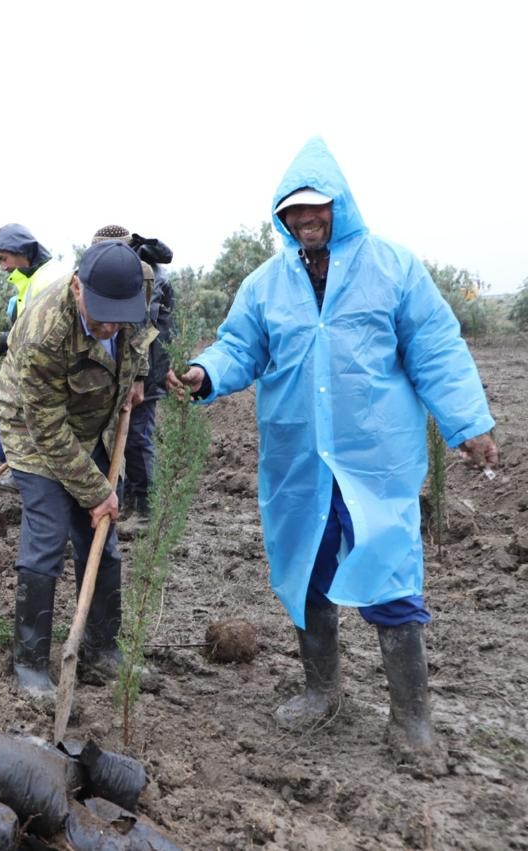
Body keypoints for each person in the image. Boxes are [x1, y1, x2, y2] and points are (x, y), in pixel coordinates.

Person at [168, 137, 499, 767]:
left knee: (390, 573)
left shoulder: (393, 268)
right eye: (292, 211)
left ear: (338, 205)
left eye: (315, 207)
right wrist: (204, 373)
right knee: (306, 572)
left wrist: (468, 423)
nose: (304, 219)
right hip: (298, 460)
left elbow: (434, 348)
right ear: (282, 217)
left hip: (375, 459)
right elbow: (240, 347)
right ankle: (321, 690)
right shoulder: (266, 285)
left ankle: (412, 721)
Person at [0, 240, 154, 703]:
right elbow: (47, 428)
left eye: (117, 315)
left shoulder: (133, 290)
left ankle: (102, 647)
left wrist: (136, 377)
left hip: (94, 422)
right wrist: (95, 489)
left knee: (102, 536)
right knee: (47, 537)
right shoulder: (45, 332)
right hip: (34, 430)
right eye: (100, 313)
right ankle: (28, 661)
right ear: (77, 286)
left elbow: (140, 337)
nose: (108, 324)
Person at [91, 225, 176, 523]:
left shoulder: (145, 275)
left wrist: (138, 378)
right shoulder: (123, 273)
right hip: (124, 370)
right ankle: (126, 500)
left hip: (147, 369)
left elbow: (141, 328)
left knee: (137, 436)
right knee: (117, 437)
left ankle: (144, 508)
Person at [0, 224, 71, 355]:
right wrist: (5, 339)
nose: (3, 267)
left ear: (20, 249)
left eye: (3, 258)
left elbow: (50, 335)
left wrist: (8, 340)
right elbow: (32, 329)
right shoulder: (32, 279)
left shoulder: (50, 277)